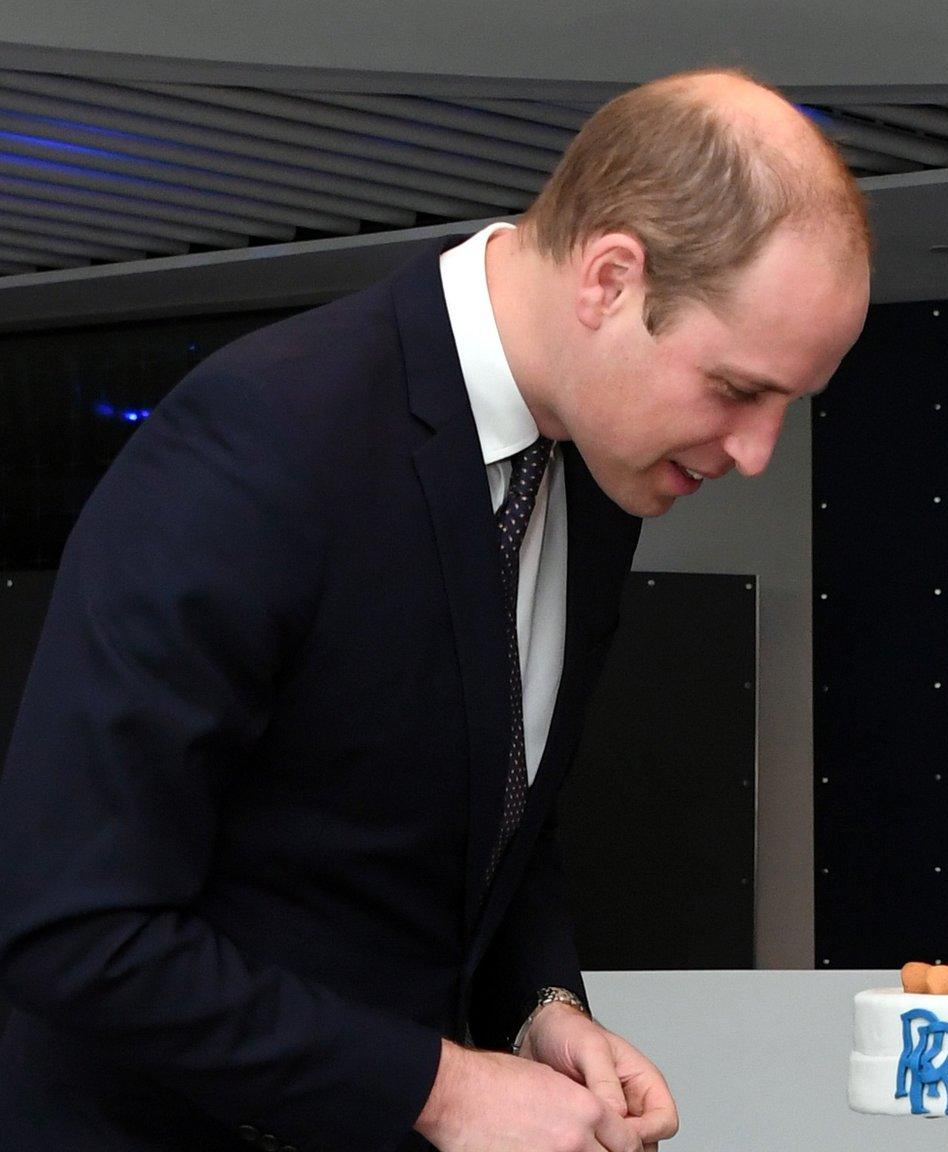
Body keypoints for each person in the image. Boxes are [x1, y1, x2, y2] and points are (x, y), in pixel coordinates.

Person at [0, 69, 869, 1152]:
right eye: (738, 389)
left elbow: (493, 806)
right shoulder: (264, 442)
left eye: (790, 402)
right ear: (608, 278)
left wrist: (539, 1007)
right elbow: (71, 927)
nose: (754, 452)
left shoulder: (598, 474)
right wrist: (441, 1089)